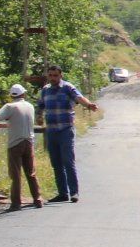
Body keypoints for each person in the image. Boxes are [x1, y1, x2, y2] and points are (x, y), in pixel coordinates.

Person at [37, 65, 99, 204]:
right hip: (52, 131)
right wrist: (39, 116)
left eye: (55, 75)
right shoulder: (45, 90)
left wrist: (89, 105)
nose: (53, 78)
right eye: (50, 75)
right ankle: (62, 193)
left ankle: (74, 192)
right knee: (56, 163)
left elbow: (79, 97)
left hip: (65, 129)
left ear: (61, 75)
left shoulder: (67, 87)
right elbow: (40, 105)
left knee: (67, 161)